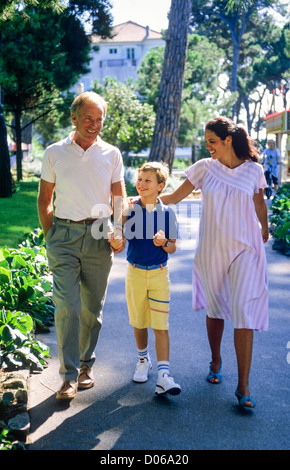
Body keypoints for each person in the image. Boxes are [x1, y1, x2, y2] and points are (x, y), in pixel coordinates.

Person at [160, 117, 269, 409]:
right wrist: (142, 197)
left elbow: (259, 202)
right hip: (211, 248)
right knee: (216, 308)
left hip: (246, 248)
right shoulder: (204, 168)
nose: (208, 146)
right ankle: (216, 359)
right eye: (207, 141)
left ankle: (243, 386)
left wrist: (265, 228)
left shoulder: (254, 171)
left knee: (244, 309)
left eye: (212, 141)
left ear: (228, 140)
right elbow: (174, 197)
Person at [37, 91, 127, 400]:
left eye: (99, 119)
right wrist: (52, 235)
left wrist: (119, 230)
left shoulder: (111, 153)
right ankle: (68, 376)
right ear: (74, 118)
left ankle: (87, 365)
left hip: (100, 232)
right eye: (88, 118)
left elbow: (119, 197)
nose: (94, 124)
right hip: (63, 234)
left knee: (92, 309)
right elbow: (44, 199)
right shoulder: (54, 152)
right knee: (67, 307)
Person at [110, 162, 181, 396]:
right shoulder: (130, 210)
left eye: (147, 180)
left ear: (160, 186)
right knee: (139, 322)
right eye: (139, 179)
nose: (141, 184)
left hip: (160, 274)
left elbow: (173, 248)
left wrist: (165, 243)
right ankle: (143, 360)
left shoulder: (168, 213)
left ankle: (164, 375)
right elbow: (119, 234)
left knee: (161, 326)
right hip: (135, 273)